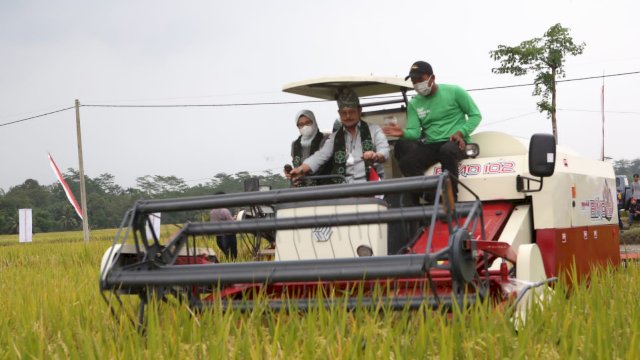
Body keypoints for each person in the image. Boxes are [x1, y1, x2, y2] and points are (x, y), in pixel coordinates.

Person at [383, 61, 482, 197]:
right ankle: (430, 196)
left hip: (456, 143)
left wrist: (461, 132)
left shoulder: (454, 92)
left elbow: (475, 115)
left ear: (432, 78)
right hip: (432, 145)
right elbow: (415, 133)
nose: (417, 84)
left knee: (446, 150)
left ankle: (450, 198)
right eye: (414, 81)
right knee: (407, 163)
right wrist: (402, 133)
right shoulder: (414, 104)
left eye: (420, 79)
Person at [289, 87, 389, 184]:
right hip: (343, 189)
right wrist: (300, 169)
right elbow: (320, 156)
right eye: (344, 113)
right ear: (339, 113)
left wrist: (376, 156)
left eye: (351, 112)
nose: (348, 116)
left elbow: (384, 151)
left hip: (372, 186)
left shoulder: (374, 130)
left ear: (359, 111)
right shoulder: (335, 137)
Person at [285, 110, 330, 186]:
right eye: (301, 124)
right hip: (301, 187)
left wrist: (301, 172)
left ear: (314, 122)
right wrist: (292, 173)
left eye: (307, 123)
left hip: (324, 185)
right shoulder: (295, 144)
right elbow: (296, 165)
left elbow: (323, 163)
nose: (305, 127)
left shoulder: (326, 139)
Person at [210, 192, 237, 259]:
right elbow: (231, 223)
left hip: (218, 237)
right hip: (229, 236)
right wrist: (235, 218)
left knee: (227, 255)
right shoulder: (225, 210)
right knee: (233, 256)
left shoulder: (212, 211)